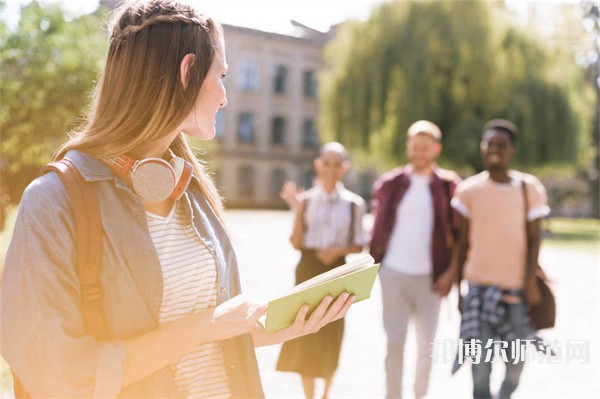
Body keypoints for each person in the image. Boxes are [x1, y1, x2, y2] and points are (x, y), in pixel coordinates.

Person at [0, 1, 355, 397]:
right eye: (221, 75)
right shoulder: (52, 203)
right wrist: (203, 325)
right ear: (187, 72)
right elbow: (58, 375)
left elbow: (199, 341)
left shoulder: (193, 189)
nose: (224, 97)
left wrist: (268, 327)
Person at [448, 119, 550, 398]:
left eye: (501, 145)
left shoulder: (529, 189)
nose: (494, 149)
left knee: (516, 363)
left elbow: (534, 239)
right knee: (480, 368)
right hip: (478, 292)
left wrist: (529, 280)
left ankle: (505, 395)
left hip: (516, 292)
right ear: (482, 148)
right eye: (489, 143)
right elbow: (461, 242)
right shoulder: (468, 191)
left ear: (512, 151)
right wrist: (458, 290)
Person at [369, 120, 461, 399]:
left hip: (431, 279)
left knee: (426, 347)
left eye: (425, 147)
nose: (419, 152)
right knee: (394, 344)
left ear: (436, 149)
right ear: (408, 146)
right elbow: (377, 229)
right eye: (414, 146)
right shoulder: (390, 184)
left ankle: (420, 395)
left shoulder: (449, 185)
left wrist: (451, 274)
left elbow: (459, 236)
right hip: (394, 275)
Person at [276, 142, 368, 399]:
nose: (330, 169)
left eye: (336, 164)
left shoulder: (354, 204)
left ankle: (326, 393)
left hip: (338, 268)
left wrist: (338, 251)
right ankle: (309, 396)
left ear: (344, 169)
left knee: (332, 330)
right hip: (307, 267)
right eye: (326, 162)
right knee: (304, 327)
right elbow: (295, 242)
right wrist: (298, 211)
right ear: (318, 165)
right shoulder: (305, 201)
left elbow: (360, 244)